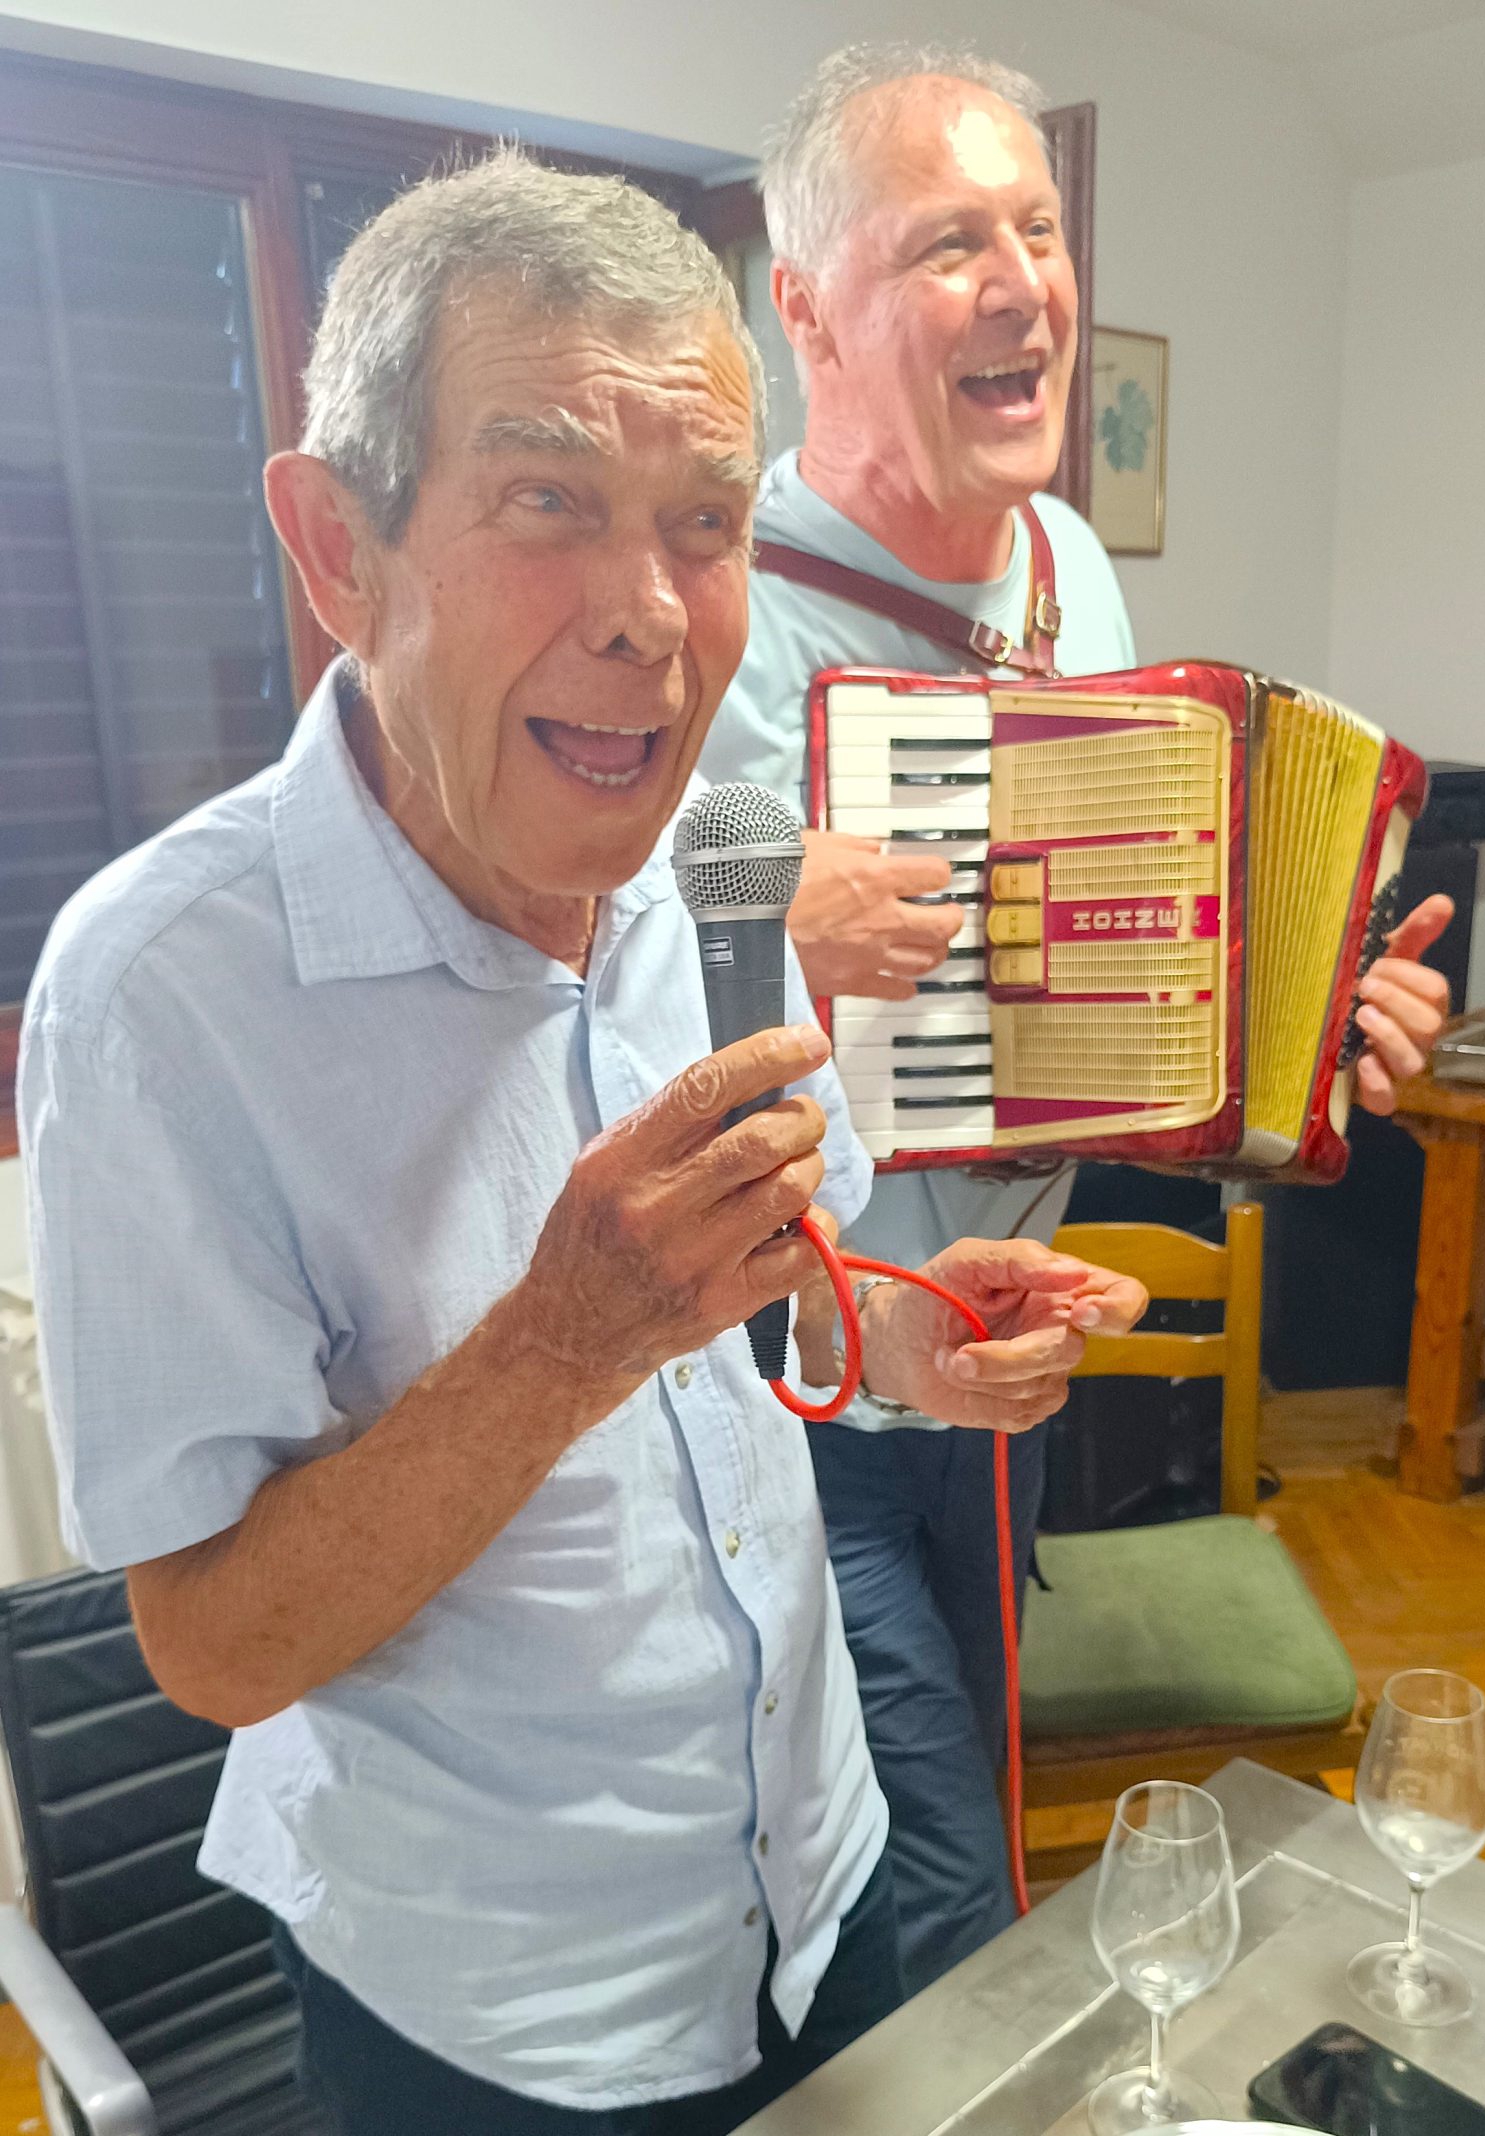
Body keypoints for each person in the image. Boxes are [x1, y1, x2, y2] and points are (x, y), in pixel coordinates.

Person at [19, 150, 1151, 2135]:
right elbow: (208, 1646)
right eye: (546, 502)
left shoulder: (725, 853)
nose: (647, 615)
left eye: (704, 523)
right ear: (338, 548)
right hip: (501, 2017)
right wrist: (561, 1339)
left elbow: (781, 1305)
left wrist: (909, 1334)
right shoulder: (157, 998)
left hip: (821, 1883)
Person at [701, 40, 1453, 1996]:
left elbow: (1106, 996)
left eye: (1036, 229)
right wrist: (765, 912)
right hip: (791, 1407)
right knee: (933, 1914)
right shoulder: (716, 609)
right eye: (949, 241)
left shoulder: (1070, 575)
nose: (1023, 281)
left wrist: (1311, 1032)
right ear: (808, 309)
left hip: (1000, 1378)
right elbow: (588, 981)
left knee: (963, 1853)